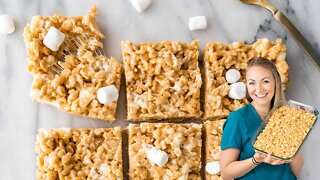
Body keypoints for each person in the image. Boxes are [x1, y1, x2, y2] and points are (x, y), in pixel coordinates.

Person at [220, 57, 304, 180]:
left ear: (275, 82)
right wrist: (256, 160)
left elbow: (296, 170)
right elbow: (226, 173)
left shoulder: (286, 116)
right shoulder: (238, 119)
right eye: (252, 83)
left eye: (265, 81)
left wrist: (292, 143)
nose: (258, 89)